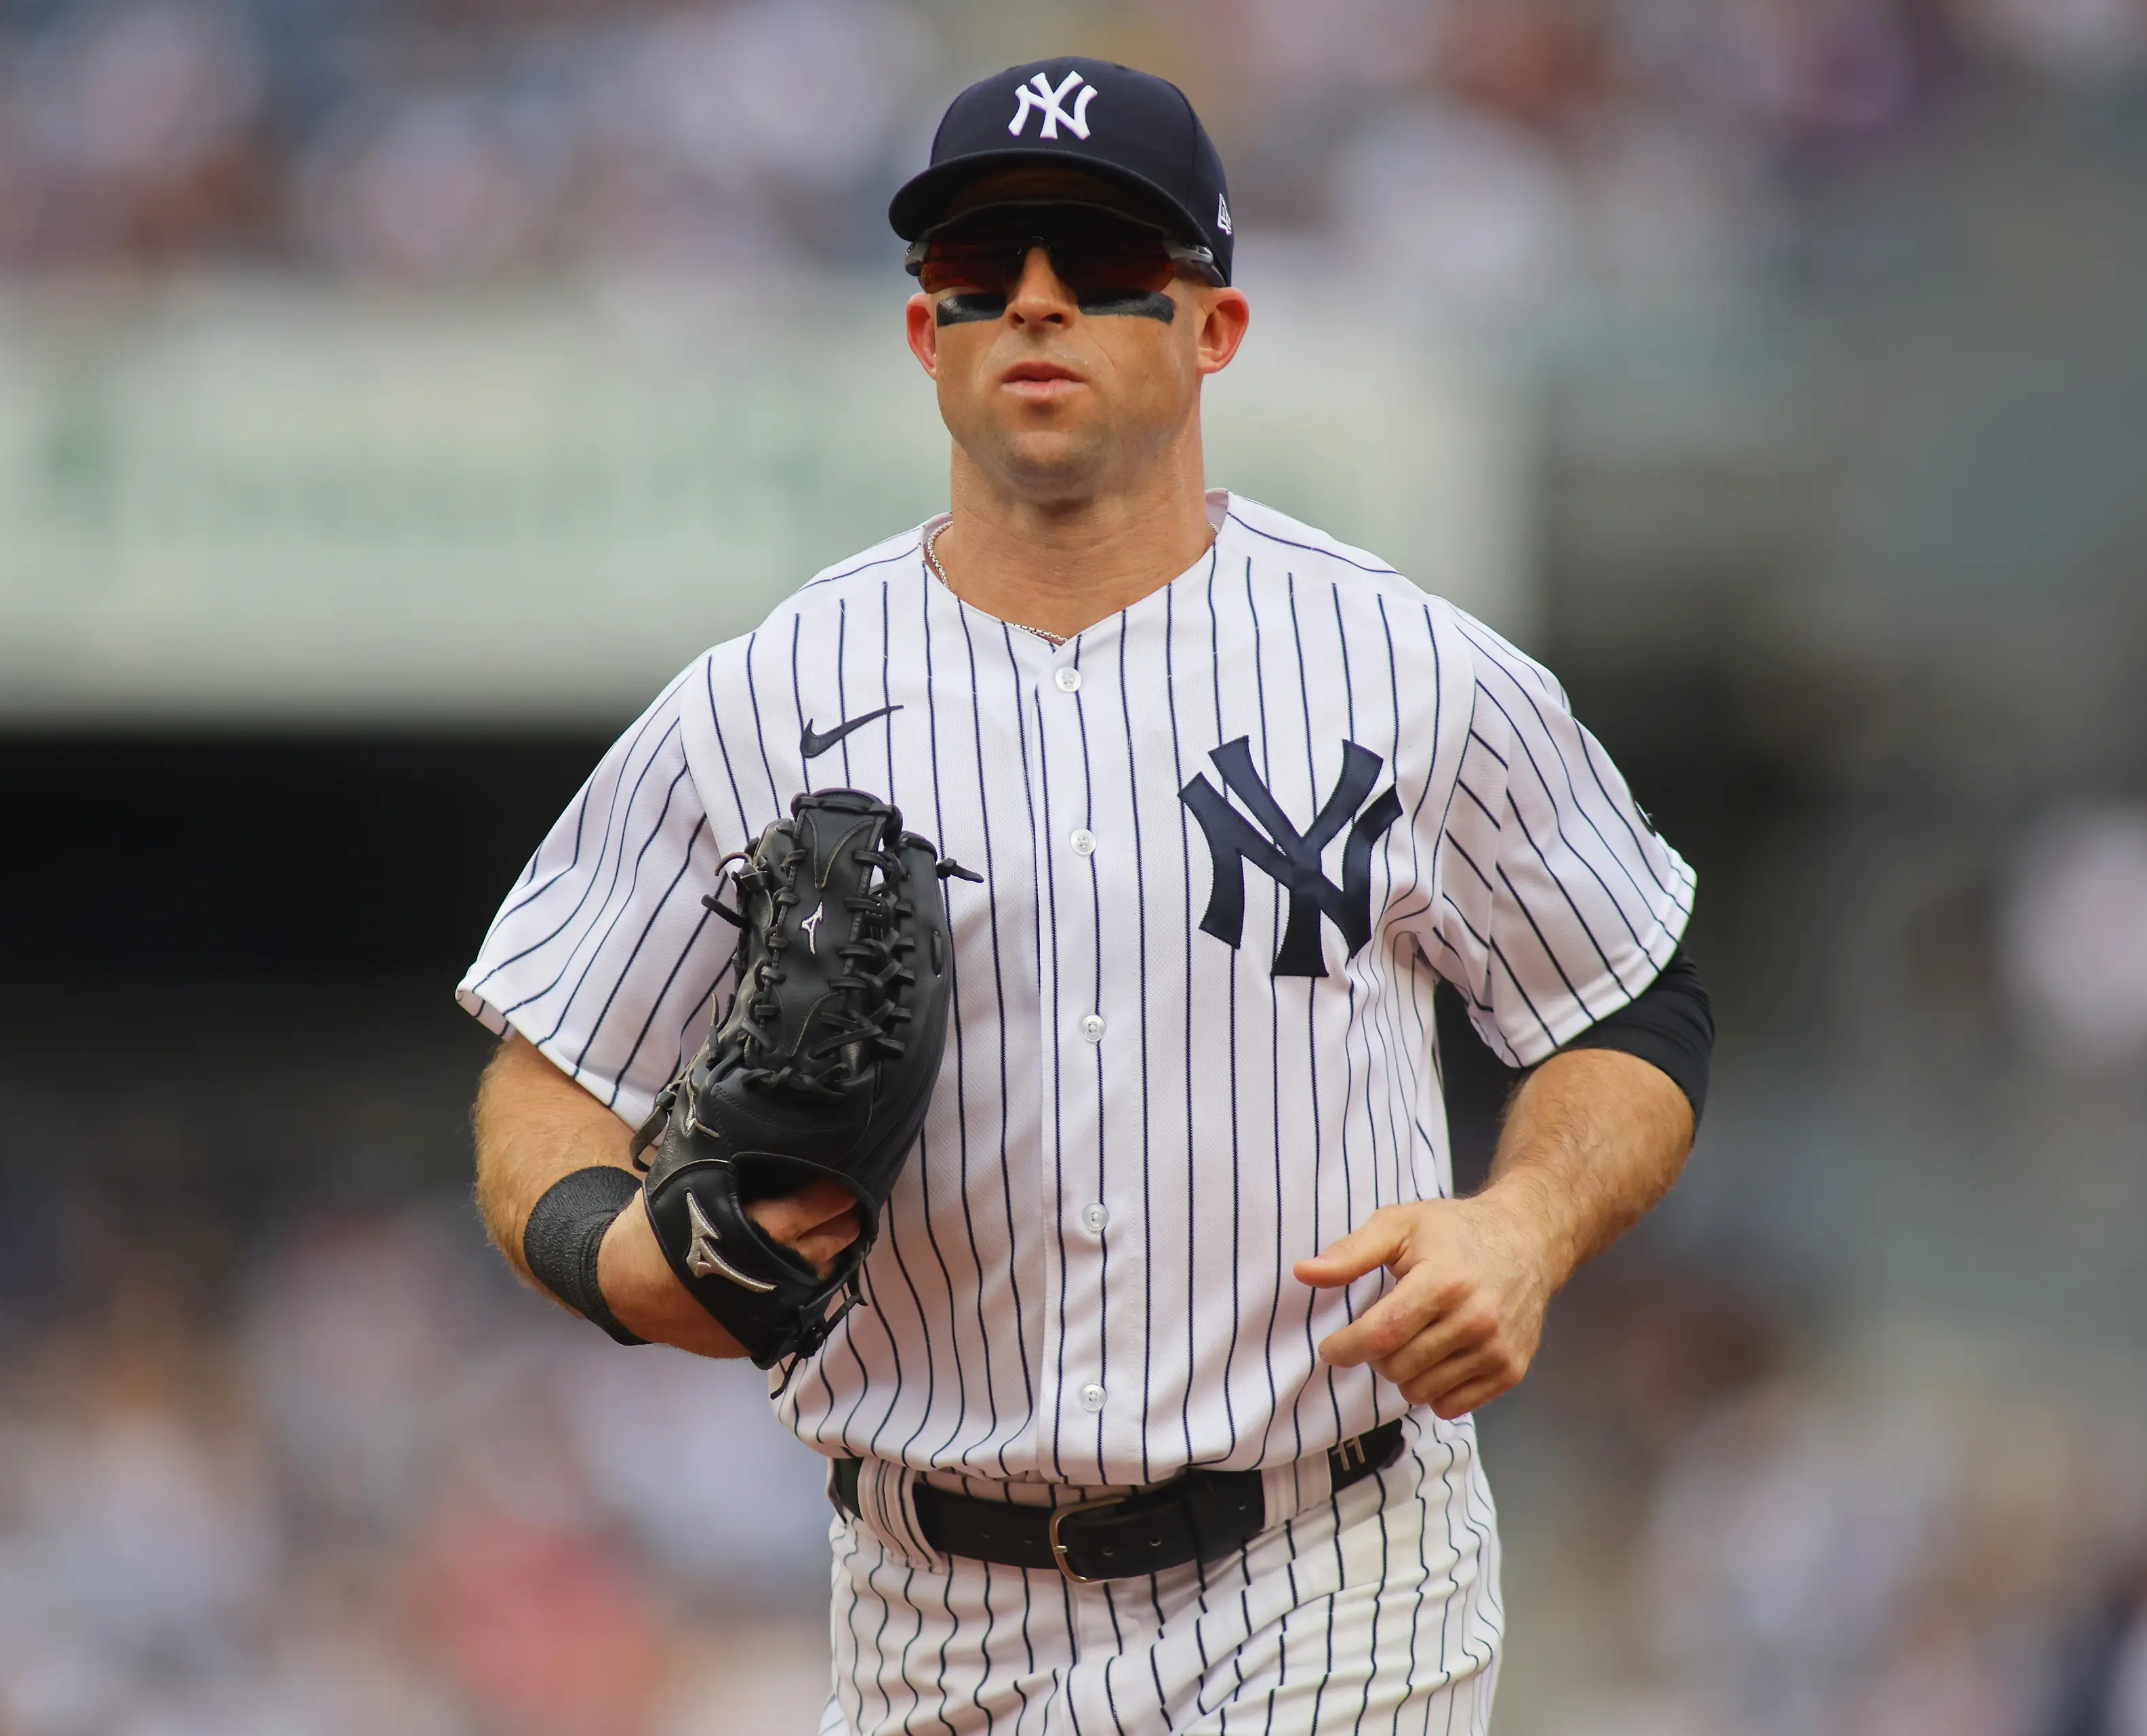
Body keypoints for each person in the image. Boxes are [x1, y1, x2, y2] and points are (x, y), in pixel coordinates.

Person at [461, 56, 1713, 1735]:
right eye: (982, 274)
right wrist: (615, 1253)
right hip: (932, 1604)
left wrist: (1525, 1221)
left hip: (1333, 1562)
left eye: (1104, 264)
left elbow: (1633, 996)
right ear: (927, 338)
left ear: (1214, 327)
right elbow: (547, 1071)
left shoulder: (1408, 669)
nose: (1035, 303)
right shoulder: (761, 700)